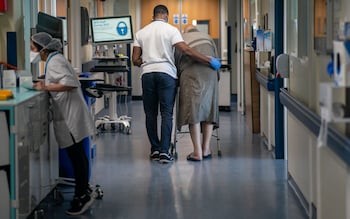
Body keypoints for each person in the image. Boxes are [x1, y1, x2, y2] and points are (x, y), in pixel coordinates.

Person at [132, 4, 221, 163]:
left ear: (153, 16)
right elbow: (186, 51)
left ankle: (155, 150)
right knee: (167, 113)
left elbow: (135, 60)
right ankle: (165, 152)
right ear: (166, 16)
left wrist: (146, 61)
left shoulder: (140, 33)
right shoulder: (171, 30)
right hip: (167, 74)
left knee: (151, 114)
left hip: (147, 75)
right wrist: (208, 60)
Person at [30, 32, 95, 215]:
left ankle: (81, 197)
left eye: (33, 47)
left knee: (77, 157)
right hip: (70, 115)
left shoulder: (55, 61)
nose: (31, 50)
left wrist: (46, 87)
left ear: (43, 49)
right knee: (79, 155)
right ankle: (84, 190)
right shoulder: (54, 59)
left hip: (70, 117)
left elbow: (69, 83)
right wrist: (46, 82)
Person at [175, 25, 220, 161]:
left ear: (185, 31)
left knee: (192, 110)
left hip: (190, 74)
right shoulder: (208, 38)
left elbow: (176, 62)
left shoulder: (181, 38)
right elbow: (216, 60)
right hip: (210, 74)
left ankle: (197, 152)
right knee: (209, 109)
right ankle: (206, 149)